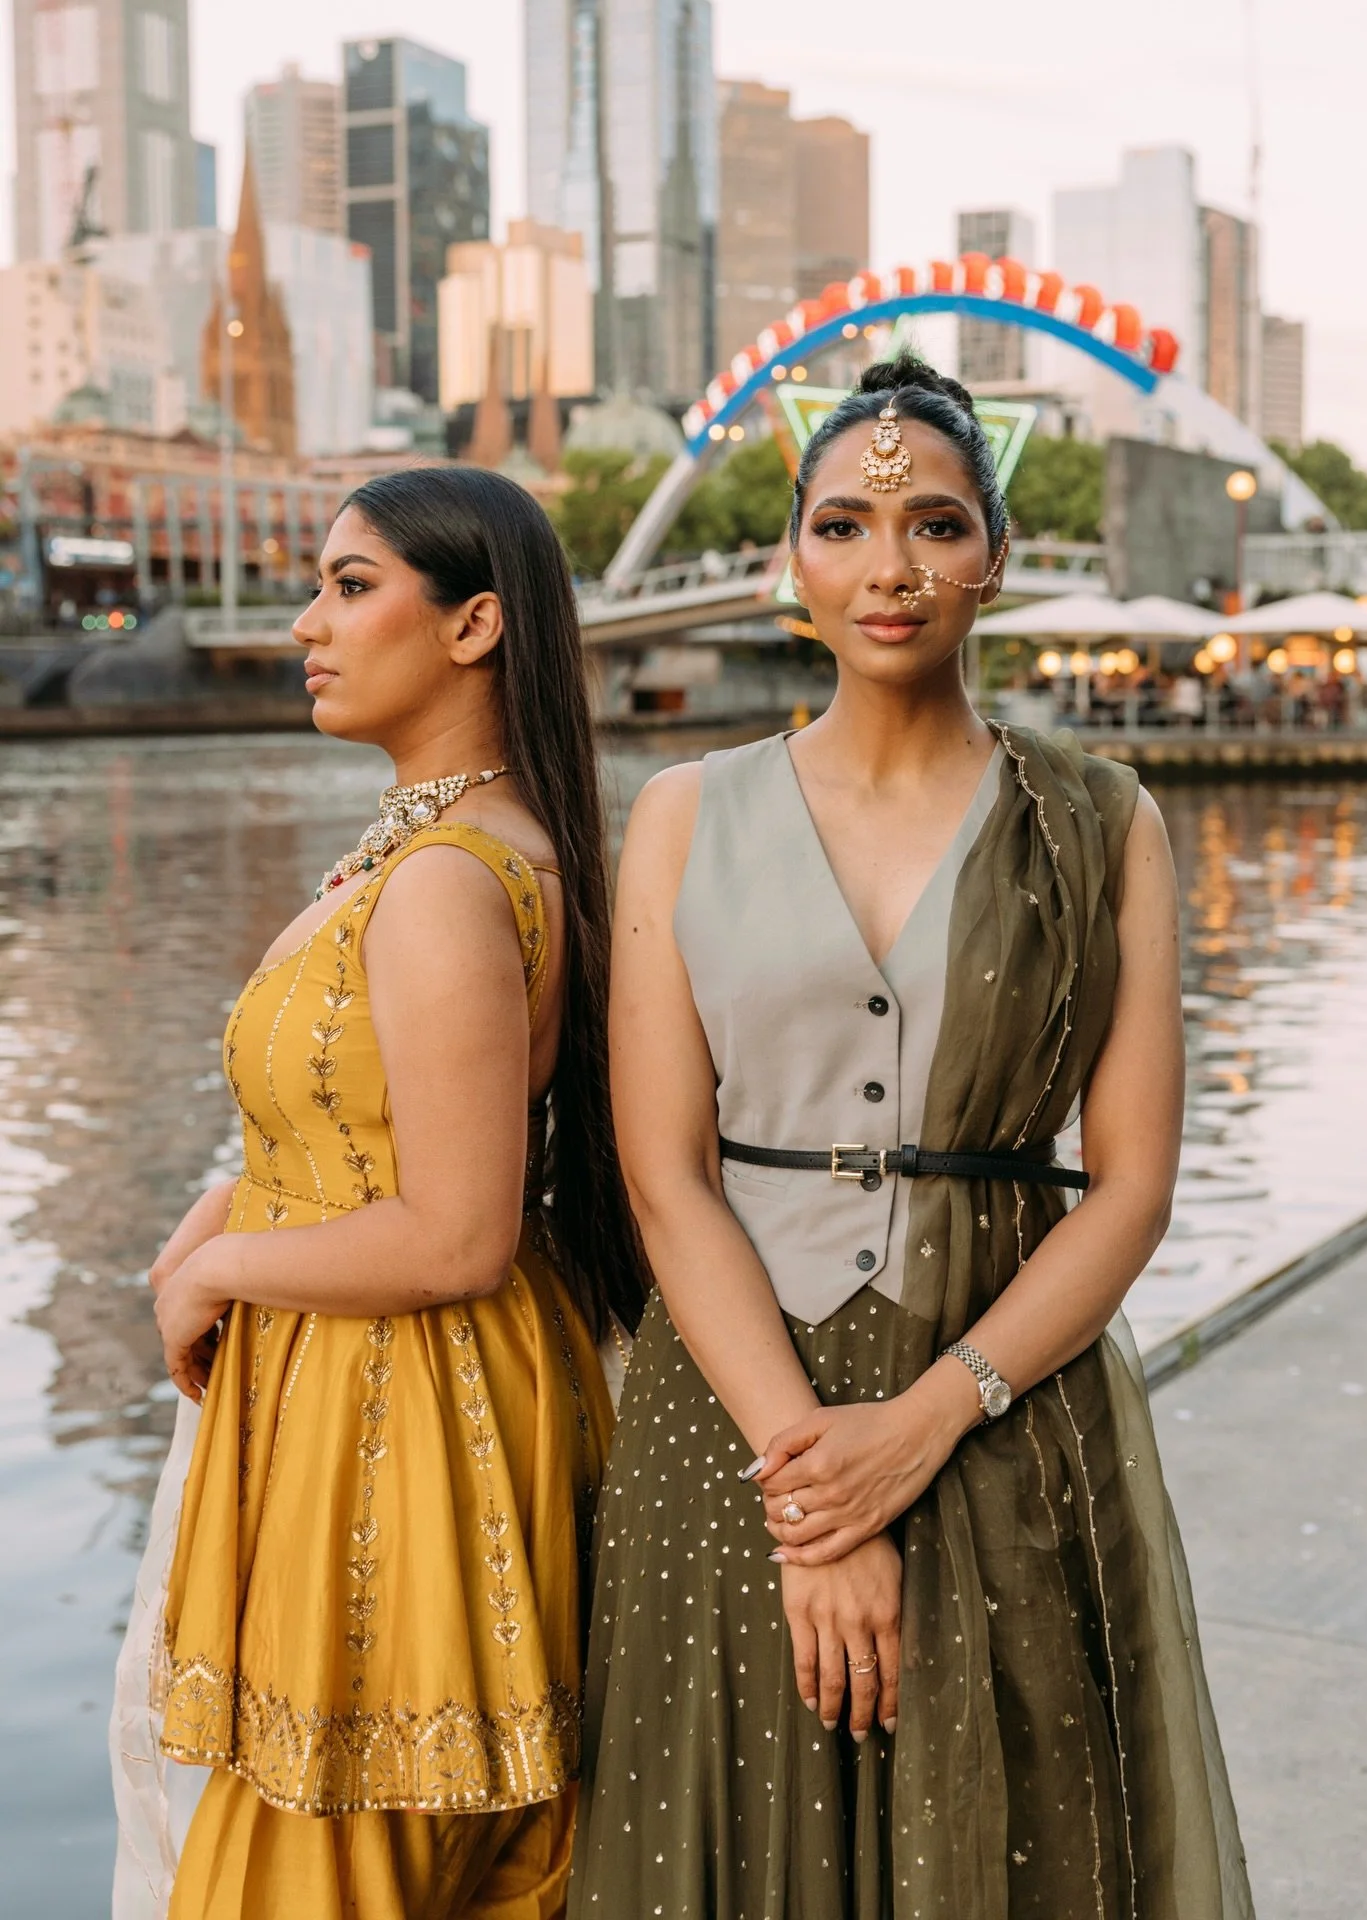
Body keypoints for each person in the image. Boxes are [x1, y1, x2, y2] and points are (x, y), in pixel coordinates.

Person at [572, 350, 1254, 1918]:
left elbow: (1134, 1186)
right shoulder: (685, 809)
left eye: (938, 525)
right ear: (784, 561)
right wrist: (810, 1497)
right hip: (733, 1438)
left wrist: (934, 1419)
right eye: (845, 527)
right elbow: (664, 1179)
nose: (892, 568)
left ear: (998, 561)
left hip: (1007, 1429)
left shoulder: (1106, 820)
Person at [110, 466, 645, 1920]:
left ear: (475, 625)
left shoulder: (448, 881)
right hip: (370, 1385)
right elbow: (368, 1131)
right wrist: (227, 1209)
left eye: (353, 588)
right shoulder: (436, 848)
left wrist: (217, 1276)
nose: (306, 624)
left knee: (318, 1870)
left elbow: (456, 1232)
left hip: (403, 1413)